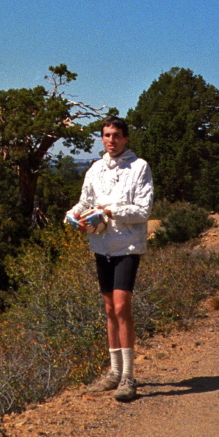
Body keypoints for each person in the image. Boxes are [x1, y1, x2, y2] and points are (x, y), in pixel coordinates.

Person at [66, 115, 153, 402]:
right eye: (106, 135)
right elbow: (85, 201)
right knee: (108, 309)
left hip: (127, 246)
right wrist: (72, 216)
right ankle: (114, 372)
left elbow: (143, 210)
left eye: (116, 135)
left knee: (121, 305)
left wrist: (110, 210)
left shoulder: (139, 168)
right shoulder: (95, 169)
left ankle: (128, 376)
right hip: (101, 245)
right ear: (101, 138)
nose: (111, 140)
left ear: (126, 138)